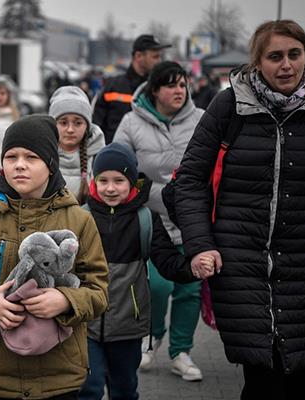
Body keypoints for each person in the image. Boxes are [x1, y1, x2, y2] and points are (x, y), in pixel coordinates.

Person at [174, 20, 305, 399]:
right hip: (242, 264)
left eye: (294, 54)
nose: (287, 65)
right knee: (263, 373)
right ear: (257, 62)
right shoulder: (229, 105)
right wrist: (200, 244)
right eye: (275, 56)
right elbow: (189, 180)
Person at [0, 115, 109, 399]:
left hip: (61, 371)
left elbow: (99, 291)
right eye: (11, 156)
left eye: (31, 157)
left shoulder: (79, 220)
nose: (19, 164)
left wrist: (66, 300)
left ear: (50, 163)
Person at [78, 142, 215, 400]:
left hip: (129, 325)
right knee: (89, 387)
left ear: (132, 181)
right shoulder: (80, 218)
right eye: (103, 180)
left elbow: (167, 261)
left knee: (125, 388)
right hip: (86, 323)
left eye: (119, 180)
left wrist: (191, 269)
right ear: (94, 181)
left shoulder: (145, 218)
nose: (110, 188)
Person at [113, 61, 205, 381]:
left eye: (182, 84)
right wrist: (157, 195)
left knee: (189, 288)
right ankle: (151, 337)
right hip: (150, 215)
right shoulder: (130, 122)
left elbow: (216, 165)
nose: (179, 91)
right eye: (171, 85)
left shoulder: (202, 120)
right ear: (154, 90)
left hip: (194, 216)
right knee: (158, 284)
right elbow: (121, 170)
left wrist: (192, 199)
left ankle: (181, 352)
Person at [93, 34, 171, 144]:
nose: (159, 61)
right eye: (155, 57)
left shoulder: (159, 89)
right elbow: (96, 126)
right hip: (115, 155)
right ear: (138, 56)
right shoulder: (112, 86)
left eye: (160, 57)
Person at [48, 86, 104, 204]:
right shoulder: (42, 156)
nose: (70, 129)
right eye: (63, 122)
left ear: (87, 126)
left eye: (78, 123)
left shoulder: (99, 158)